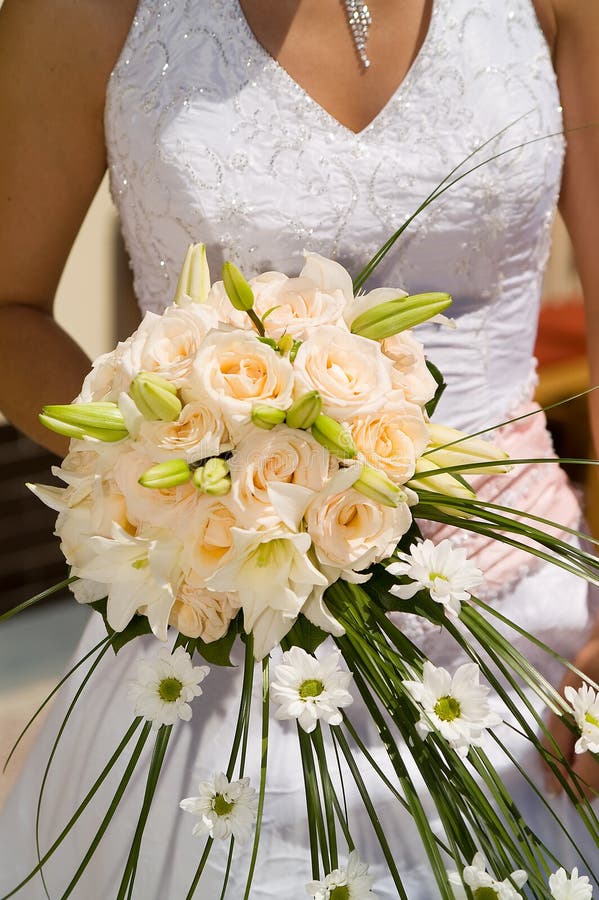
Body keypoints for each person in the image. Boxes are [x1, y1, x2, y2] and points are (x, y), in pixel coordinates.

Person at [0, 0, 598, 896]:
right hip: (223, 634)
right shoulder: (82, 12)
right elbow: (8, 309)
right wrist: (179, 474)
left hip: (531, 628)